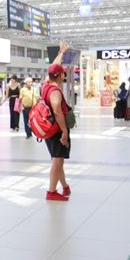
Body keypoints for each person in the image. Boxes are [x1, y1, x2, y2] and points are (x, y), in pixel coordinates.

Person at [42, 64, 73, 200]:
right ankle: (51, 191)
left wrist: (60, 54)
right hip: (57, 130)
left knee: (57, 160)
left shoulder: (45, 86)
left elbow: (53, 67)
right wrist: (64, 131)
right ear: (61, 75)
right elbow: (57, 110)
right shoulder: (55, 91)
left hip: (48, 128)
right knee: (57, 161)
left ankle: (65, 186)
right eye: (63, 74)